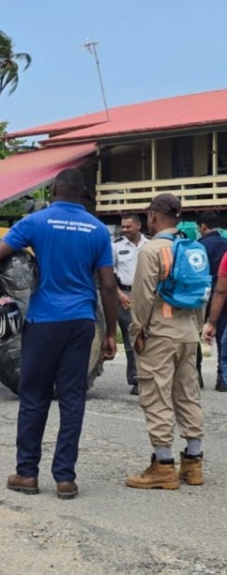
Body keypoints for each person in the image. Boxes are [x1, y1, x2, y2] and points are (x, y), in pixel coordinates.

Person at [0, 168, 118, 500]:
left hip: (43, 321)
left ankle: (27, 474)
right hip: (81, 321)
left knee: (34, 399)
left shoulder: (36, 222)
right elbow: (109, 285)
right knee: (72, 400)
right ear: (82, 193)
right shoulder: (98, 230)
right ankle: (65, 479)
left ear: (54, 189)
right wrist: (112, 333)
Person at [126, 193, 205, 490]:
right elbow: (199, 295)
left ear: (152, 217)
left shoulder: (152, 250)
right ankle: (193, 463)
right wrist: (196, 329)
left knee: (156, 396)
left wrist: (137, 333)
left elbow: (143, 298)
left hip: (160, 333)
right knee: (188, 394)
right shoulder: (192, 247)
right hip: (188, 333)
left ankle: (163, 466)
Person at [113, 214, 148, 396]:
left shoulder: (149, 245)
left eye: (128, 227)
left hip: (147, 294)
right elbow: (109, 273)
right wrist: (119, 295)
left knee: (148, 336)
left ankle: (149, 376)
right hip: (125, 295)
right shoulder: (116, 246)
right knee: (130, 338)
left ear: (138, 226)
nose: (124, 230)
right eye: (123, 227)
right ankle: (135, 378)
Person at [196, 211, 227, 390]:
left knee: (194, 335)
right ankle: (222, 377)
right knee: (223, 338)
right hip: (222, 298)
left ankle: (196, 374)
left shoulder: (198, 246)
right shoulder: (226, 244)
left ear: (202, 227)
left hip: (201, 296)